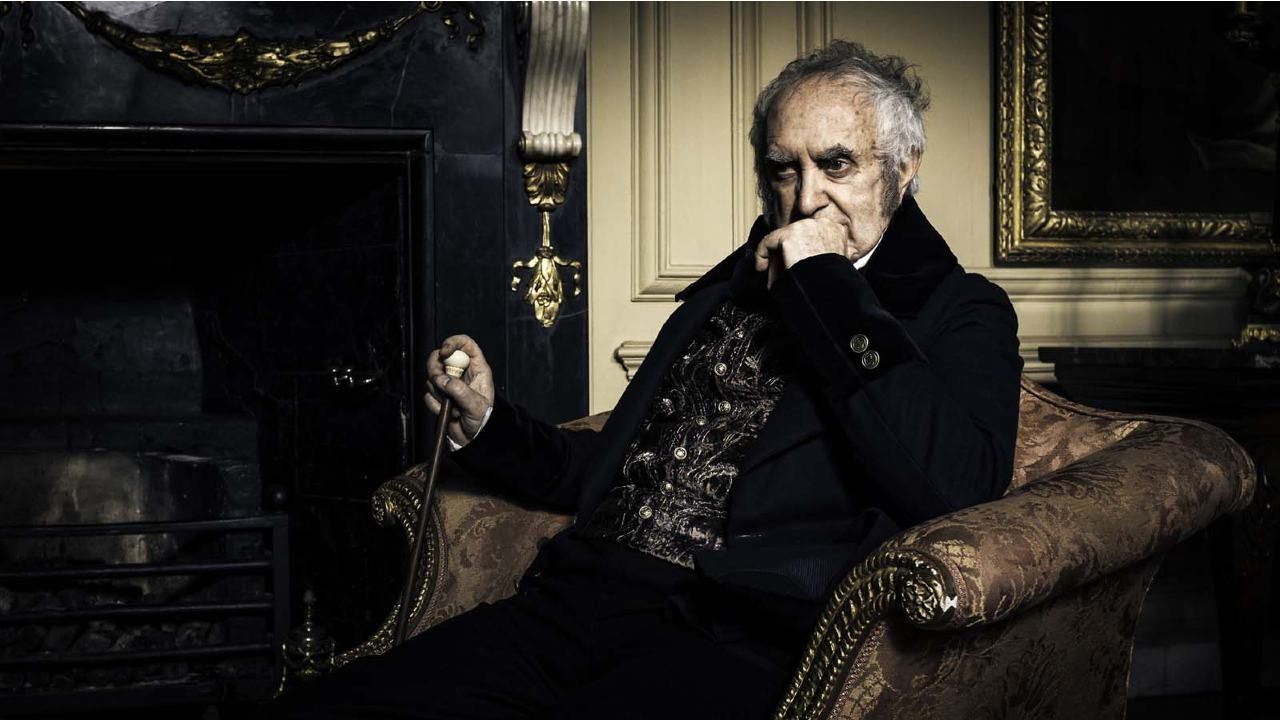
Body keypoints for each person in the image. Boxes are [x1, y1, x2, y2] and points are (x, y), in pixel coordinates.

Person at [280, 39, 1022, 719]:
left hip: (731, 631)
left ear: (904, 166)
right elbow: (618, 459)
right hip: (578, 600)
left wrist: (828, 285)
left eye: (837, 165)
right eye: (783, 169)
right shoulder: (732, 288)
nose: (804, 200)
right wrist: (489, 423)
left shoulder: (959, 310)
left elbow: (954, 483)